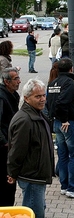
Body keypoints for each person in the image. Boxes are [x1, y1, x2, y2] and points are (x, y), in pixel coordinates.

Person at [7, 79, 54, 218]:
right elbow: (17, 151)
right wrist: (12, 173)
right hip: (32, 177)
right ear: (26, 98)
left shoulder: (37, 114)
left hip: (37, 175)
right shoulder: (25, 120)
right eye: (38, 96)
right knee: (35, 213)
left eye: (43, 95)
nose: (42, 99)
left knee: (38, 209)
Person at [46, 58, 74, 199]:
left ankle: (64, 186)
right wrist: (65, 119)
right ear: (71, 69)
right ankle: (73, 188)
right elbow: (61, 102)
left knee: (63, 156)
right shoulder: (68, 83)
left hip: (57, 123)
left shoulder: (52, 83)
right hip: (68, 122)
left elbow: (51, 103)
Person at [0, 68, 21, 206]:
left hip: (10, 142)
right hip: (4, 147)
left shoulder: (12, 94)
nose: (19, 81)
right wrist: (4, 141)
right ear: (7, 82)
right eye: (16, 79)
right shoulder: (2, 97)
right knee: (6, 181)